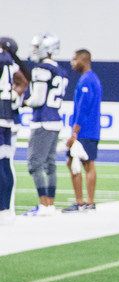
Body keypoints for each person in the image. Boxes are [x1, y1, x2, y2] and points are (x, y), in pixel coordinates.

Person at [22, 33, 68, 217]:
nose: (34, 50)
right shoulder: (61, 71)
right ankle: (49, 205)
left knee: (35, 164)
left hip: (42, 121)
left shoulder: (41, 69)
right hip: (55, 120)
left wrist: (23, 102)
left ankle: (43, 205)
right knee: (50, 164)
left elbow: (38, 99)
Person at [63, 49, 102, 212]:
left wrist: (75, 132)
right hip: (91, 129)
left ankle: (81, 202)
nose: (72, 62)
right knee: (86, 164)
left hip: (85, 131)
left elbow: (83, 108)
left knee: (78, 163)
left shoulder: (86, 80)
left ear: (83, 60)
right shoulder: (93, 79)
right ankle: (88, 202)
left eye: (74, 59)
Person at [0, 37, 29, 224]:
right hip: (7, 117)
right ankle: (5, 208)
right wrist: (13, 96)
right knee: (4, 162)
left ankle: (4, 207)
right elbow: (23, 82)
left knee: (3, 163)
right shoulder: (11, 62)